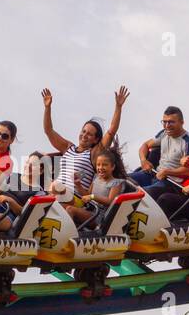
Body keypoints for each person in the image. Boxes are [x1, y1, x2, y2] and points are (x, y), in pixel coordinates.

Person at [41, 85, 129, 226]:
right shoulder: (67, 147)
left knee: (54, 186)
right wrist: (47, 108)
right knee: (42, 196)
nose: (84, 135)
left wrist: (118, 107)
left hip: (75, 197)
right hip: (56, 194)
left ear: (95, 139)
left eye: (89, 134)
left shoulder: (94, 154)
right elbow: (48, 130)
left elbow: (111, 131)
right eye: (83, 131)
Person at [129, 106, 189, 189]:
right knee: (123, 180)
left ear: (182, 122)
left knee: (142, 194)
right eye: (164, 122)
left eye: (171, 122)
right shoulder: (164, 133)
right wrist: (143, 160)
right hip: (154, 174)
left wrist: (167, 172)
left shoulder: (188, 141)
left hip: (170, 182)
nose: (167, 125)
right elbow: (145, 145)